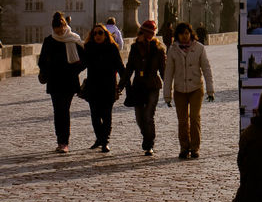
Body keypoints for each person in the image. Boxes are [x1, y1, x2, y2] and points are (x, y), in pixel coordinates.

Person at [163, 22, 214, 159]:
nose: (184, 36)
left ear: (190, 34)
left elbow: (206, 69)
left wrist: (210, 90)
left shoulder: (199, 48)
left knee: (194, 118)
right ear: (177, 35)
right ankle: (184, 147)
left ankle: (195, 147)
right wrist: (167, 95)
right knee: (183, 120)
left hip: (196, 88)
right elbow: (168, 74)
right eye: (181, 33)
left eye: (186, 33)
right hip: (180, 90)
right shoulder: (173, 50)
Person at [38, 11, 86, 153]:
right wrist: (47, 69)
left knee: (63, 110)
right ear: (53, 28)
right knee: (58, 111)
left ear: (65, 26)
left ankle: (64, 142)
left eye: (61, 27)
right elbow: (41, 61)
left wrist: (74, 70)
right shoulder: (49, 41)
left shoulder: (73, 39)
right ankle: (61, 141)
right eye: (56, 28)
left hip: (69, 81)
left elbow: (84, 60)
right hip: (54, 81)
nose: (59, 30)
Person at [121, 20, 166, 156]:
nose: (144, 36)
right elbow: (129, 68)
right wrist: (121, 85)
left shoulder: (158, 49)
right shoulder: (135, 48)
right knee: (139, 117)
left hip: (153, 86)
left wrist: (170, 87)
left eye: (148, 33)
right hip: (138, 86)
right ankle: (146, 137)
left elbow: (164, 71)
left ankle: (149, 144)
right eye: (142, 33)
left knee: (148, 116)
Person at [83, 23, 126, 152]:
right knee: (95, 116)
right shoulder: (89, 48)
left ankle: (104, 141)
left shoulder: (112, 48)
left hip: (108, 87)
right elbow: (80, 65)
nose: (97, 35)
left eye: (100, 33)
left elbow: (120, 67)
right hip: (93, 87)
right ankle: (100, 138)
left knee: (106, 116)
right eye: (95, 33)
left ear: (106, 34)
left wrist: (124, 83)